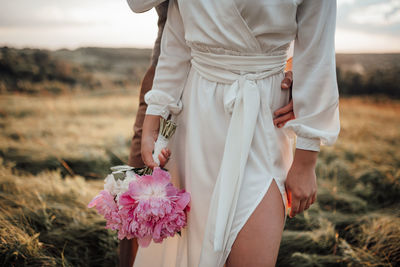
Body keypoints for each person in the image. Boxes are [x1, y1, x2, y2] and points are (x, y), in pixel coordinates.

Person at [128, 0, 340, 266]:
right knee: (187, 248)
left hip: (264, 118)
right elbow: (176, 43)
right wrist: (154, 114)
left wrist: (307, 157)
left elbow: (317, 51)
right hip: (196, 115)